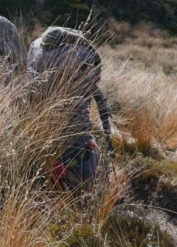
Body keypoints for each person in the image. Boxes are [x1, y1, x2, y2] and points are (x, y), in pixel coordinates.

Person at [27, 26, 114, 191]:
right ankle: (81, 188)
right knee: (83, 157)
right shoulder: (84, 55)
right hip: (73, 144)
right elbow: (95, 90)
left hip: (35, 136)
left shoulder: (35, 47)